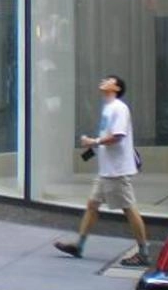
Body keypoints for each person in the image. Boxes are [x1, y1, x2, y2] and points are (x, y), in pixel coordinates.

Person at [54, 74, 150, 267]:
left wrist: (94, 141)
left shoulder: (119, 108)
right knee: (92, 205)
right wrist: (92, 149)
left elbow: (118, 136)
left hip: (116, 171)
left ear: (117, 88)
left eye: (109, 80)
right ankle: (79, 245)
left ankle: (143, 253)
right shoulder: (108, 108)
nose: (104, 81)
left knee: (129, 208)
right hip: (107, 170)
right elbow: (107, 138)